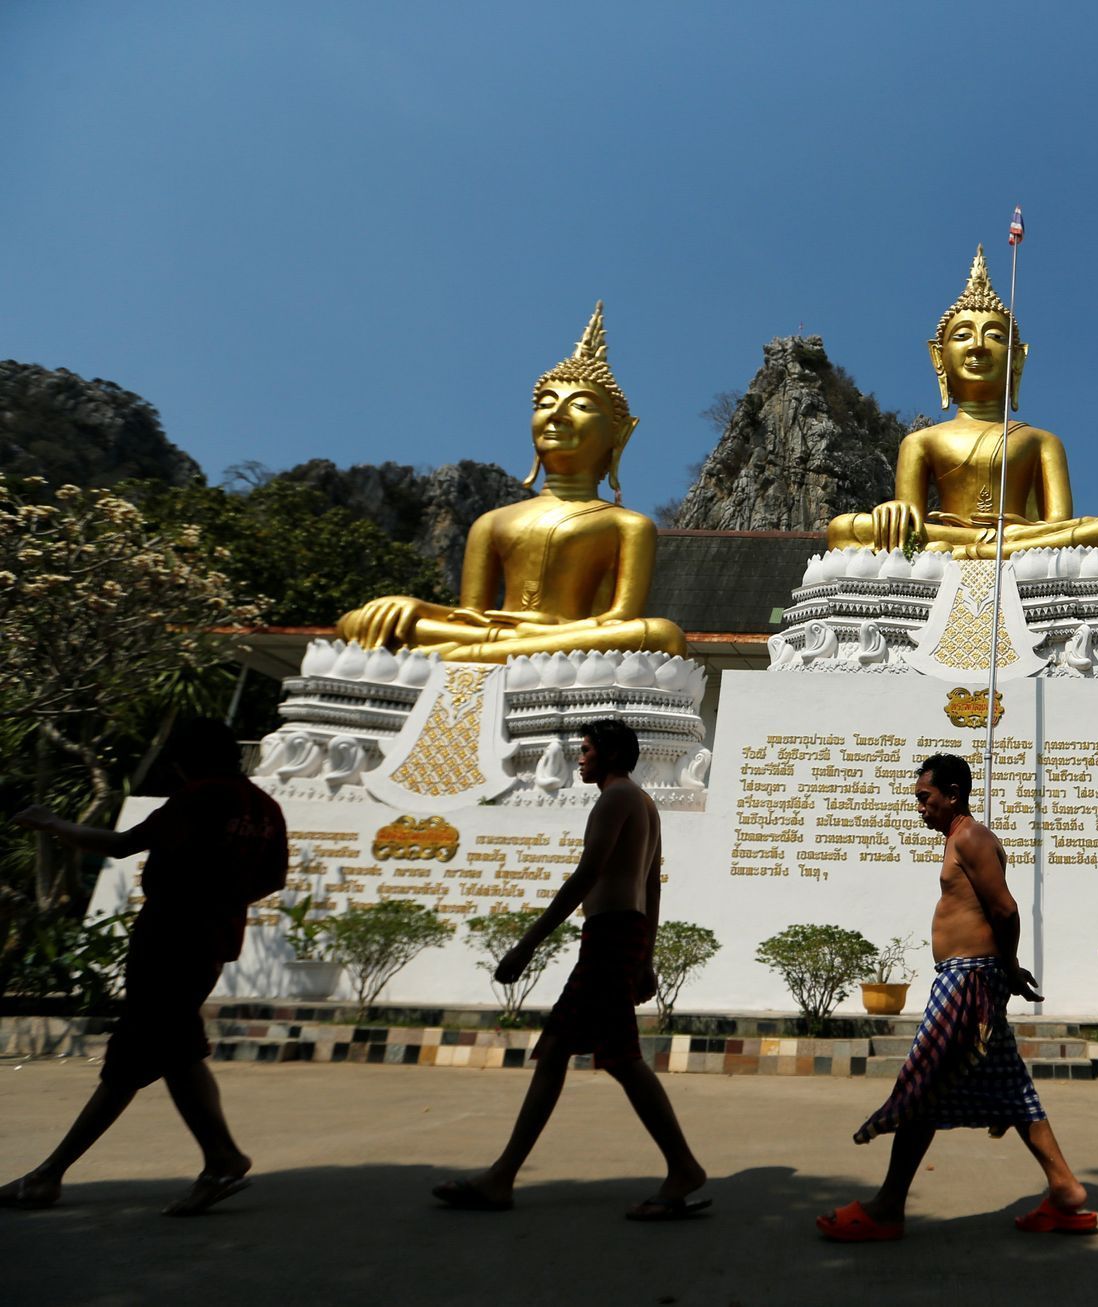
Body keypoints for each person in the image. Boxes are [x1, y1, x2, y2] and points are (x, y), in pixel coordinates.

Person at [1, 716, 287, 1216]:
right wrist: (224, 897)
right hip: (215, 937)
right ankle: (53, 1174)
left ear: (186, 761)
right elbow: (272, 878)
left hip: (170, 935)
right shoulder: (265, 808)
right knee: (161, 1051)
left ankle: (218, 1158)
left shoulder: (202, 795)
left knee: (152, 1051)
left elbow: (121, 844)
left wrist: (52, 824)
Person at [432, 719, 707, 1219]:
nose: (579, 759)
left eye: (585, 751)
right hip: (624, 934)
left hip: (610, 935)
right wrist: (645, 957)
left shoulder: (615, 799)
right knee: (564, 1049)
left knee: (619, 1058)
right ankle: (503, 1176)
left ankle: (682, 1166)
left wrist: (528, 943)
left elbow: (589, 872)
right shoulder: (645, 803)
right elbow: (653, 886)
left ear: (607, 754)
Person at [817, 753, 1095, 1241]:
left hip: (968, 980)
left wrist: (1005, 969)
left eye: (925, 798)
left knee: (923, 1084)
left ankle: (886, 1208)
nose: (919, 808)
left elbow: (1005, 909)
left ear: (952, 794)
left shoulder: (970, 837)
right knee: (1011, 1091)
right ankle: (1066, 1191)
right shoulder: (957, 839)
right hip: (968, 976)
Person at [336, 301, 686, 662]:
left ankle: (466, 656)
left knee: (659, 635)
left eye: (581, 406)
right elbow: (471, 614)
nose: (558, 414)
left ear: (620, 435)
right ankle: (487, 651)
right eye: (547, 403)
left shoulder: (627, 525)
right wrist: (417, 606)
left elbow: (618, 621)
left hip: (569, 638)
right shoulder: (492, 522)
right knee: (356, 622)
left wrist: (552, 630)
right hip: (511, 635)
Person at [824, 245, 1098, 558]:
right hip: (970, 538)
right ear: (939, 357)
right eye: (962, 335)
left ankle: (979, 551)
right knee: (845, 529)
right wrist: (895, 515)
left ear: (1017, 360)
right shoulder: (920, 442)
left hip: (1019, 538)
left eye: (995, 335)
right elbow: (911, 526)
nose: (978, 346)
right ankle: (992, 550)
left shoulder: (1042, 441)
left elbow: (1056, 527)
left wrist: (1009, 535)